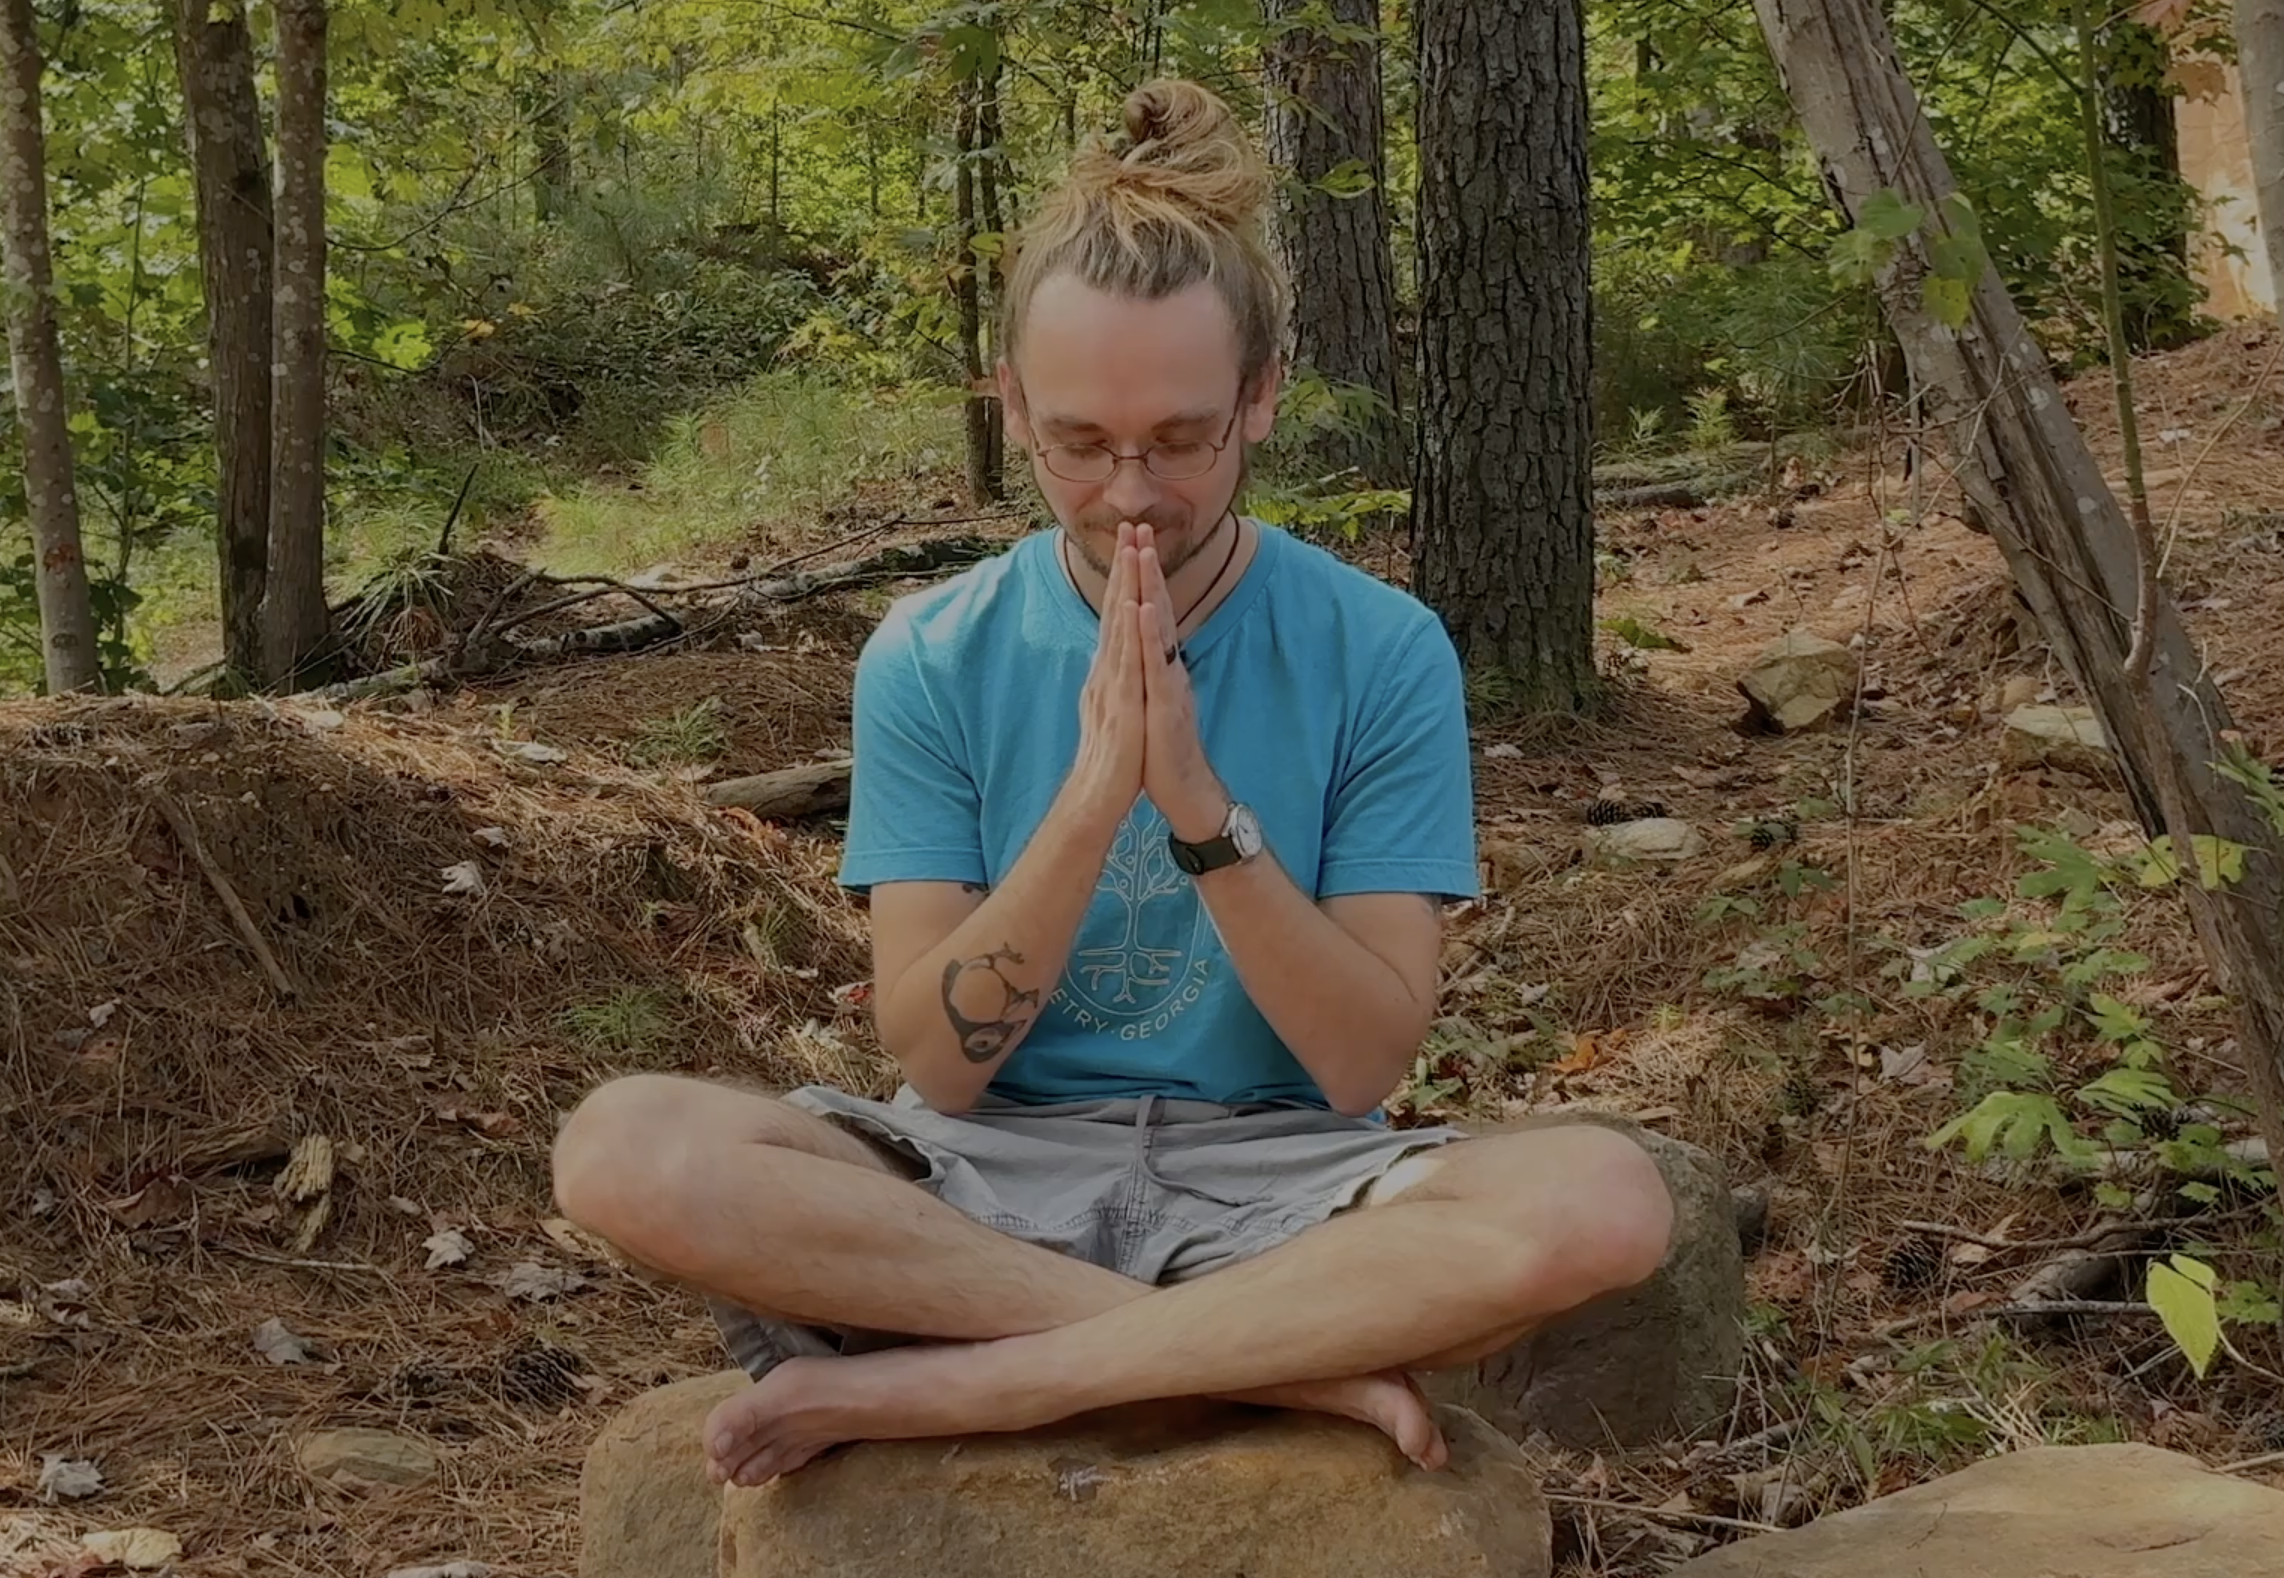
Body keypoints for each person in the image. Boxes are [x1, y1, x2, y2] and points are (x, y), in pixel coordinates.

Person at [553, 78, 1673, 1491]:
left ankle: (988, 1379)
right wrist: (1093, 800)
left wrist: (1202, 813)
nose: (1132, 492)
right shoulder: (932, 651)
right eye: (1080, 443)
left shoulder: (1380, 648)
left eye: (1182, 439)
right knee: (626, 1147)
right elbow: (940, 1064)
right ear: (1014, 405)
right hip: (982, 1183)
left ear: (1260, 398)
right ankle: (1267, 1360)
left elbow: (1364, 1063)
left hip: (1285, 1182)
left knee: (1604, 1199)